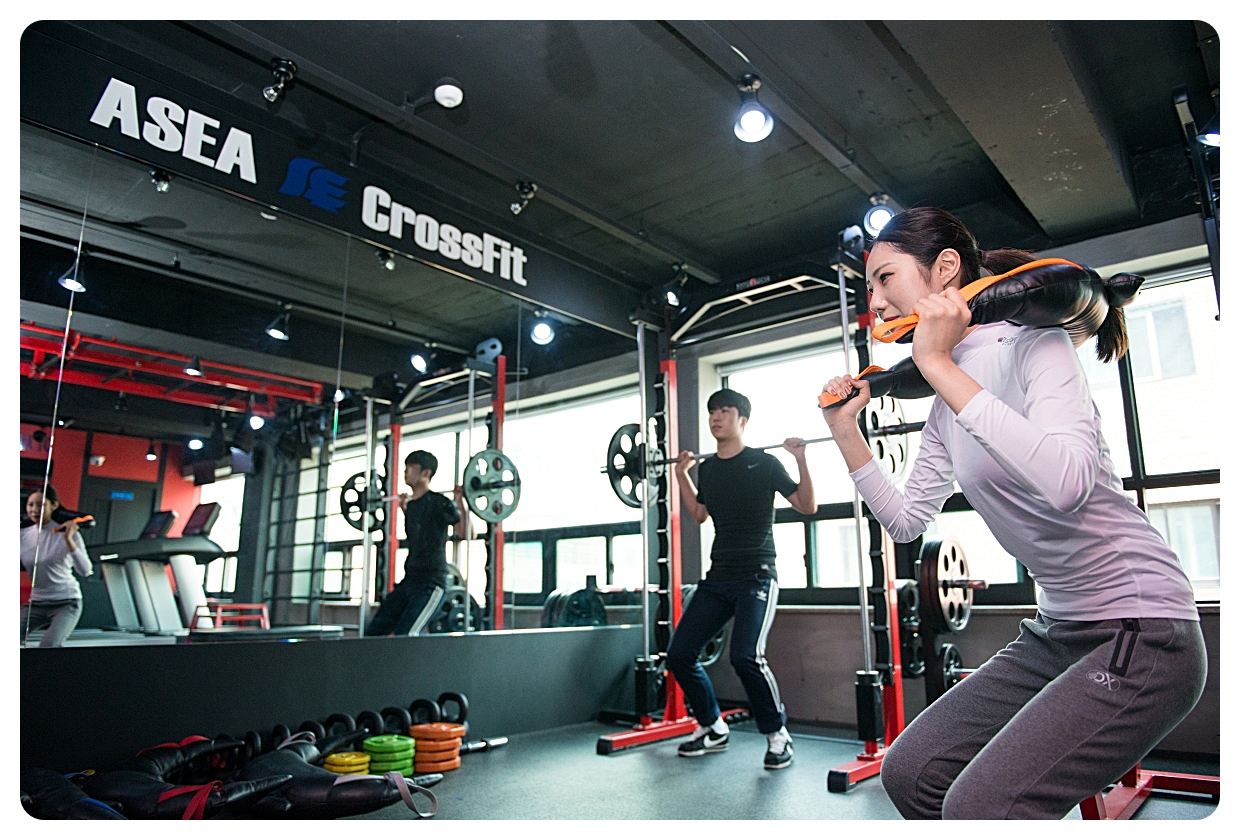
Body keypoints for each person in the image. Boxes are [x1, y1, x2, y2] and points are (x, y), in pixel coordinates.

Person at [820, 207, 1205, 819]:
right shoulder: (947, 402)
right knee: (912, 773)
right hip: (1057, 631)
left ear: (945, 268)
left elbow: (1067, 483)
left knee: (980, 808)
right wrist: (846, 432)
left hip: (1142, 628)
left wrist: (939, 365)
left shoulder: (1035, 344)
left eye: (885, 279)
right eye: (869, 287)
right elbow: (907, 522)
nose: (876, 302)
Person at [667, 388, 817, 770]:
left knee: (745, 656)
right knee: (679, 654)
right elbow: (699, 513)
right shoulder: (708, 469)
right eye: (712, 412)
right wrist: (681, 474)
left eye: (725, 411)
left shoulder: (764, 463)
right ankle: (712, 727)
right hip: (719, 578)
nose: (716, 418)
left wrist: (800, 459)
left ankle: (777, 735)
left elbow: (807, 505)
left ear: (743, 420)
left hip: (757, 577)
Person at [365, 450, 468, 637]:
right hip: (409, 581)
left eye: (412, 467)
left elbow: (465, 533)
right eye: (406, 467)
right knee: (374, 633)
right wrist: (405, 508)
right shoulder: (411, 506)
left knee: (407, 636)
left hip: (431, 583)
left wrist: (460, 501)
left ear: (426, 473)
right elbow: (421, 529)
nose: (406, 471)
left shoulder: (439, 502)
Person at [20, 486, 92, 648]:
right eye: (30, 505)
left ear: (54, 505)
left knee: (48, 646)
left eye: (41, 505)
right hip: (36, 603)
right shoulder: (22, 535)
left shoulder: (68, 534)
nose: (34, 510)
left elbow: (85, 570)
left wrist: (68, 539)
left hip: (66, 602)